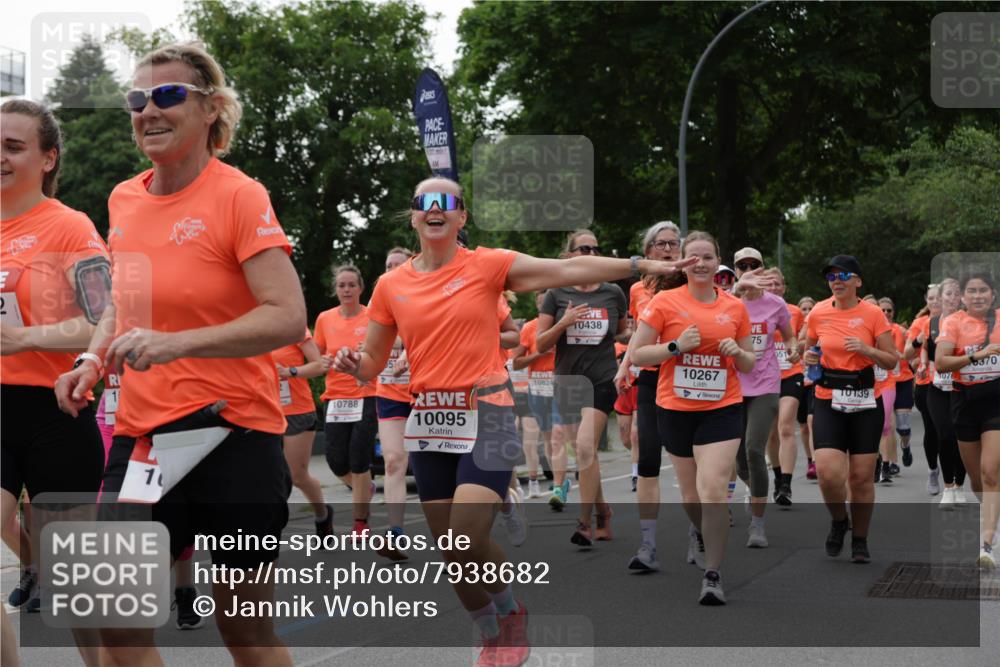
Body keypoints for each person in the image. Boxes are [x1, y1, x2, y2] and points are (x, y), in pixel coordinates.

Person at [332, 176, 693, 664]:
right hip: (431, 419)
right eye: (425, 202)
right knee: (452, 554)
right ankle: (489, 629)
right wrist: (358, 367)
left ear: (461, 217)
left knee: (465, 537)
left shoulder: (486, 265)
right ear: (414, 215)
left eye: (447, 202)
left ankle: (510, 611)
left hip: (489, 411)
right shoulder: (391, 285)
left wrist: (642, 263)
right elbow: (373, 363)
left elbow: (568, 269)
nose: (435, 208)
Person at [54, 43, 304, 666]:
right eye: (138, 100)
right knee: (115, 617)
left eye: (167, 96)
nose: (148, 111)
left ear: (212, 108)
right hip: (145, 441)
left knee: (243, 629)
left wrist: (175, 344)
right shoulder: (124, 199)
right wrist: (92, 357)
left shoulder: (240, 196)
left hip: (234, 432)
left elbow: (286, 316)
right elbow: (123, 301)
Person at [2, 98, 111, 663]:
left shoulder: (67, 225)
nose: (0, 156)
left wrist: (23, 340)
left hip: (55, 413)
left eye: (13, 146)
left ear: (47, 159)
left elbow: (104, 318)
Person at [632, 231, 755, 605]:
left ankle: (713, 573)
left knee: (713, 489)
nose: (700, 263)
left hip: (722, 408)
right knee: (690, 495)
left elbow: (750, 363)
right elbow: (637, 356)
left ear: (718, 262)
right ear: (683, 263)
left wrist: (737, 352)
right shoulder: (664, 303)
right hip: (674, 409)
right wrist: (675, 347)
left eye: (707, 257)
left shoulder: (734, 307)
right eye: (693, 257)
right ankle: (700, 532)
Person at [802, 255, 898, 564]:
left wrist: (867, 349)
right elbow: (809, 350)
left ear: (857, 281)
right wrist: (810, 358)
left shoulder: (872, 315)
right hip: (829, 398)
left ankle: (860, 539)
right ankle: (839, 520)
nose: (836, 280)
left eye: (843, 274)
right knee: (829, 474)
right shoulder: (817, 312)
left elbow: (891, 359)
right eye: (831, 276)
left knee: (860, 478)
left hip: (864, 400)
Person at [536, 230, 627, 547]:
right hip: (568, 381)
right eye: (583, 247)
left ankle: (583, 523)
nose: (590, 251)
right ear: (570, 255)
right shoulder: (556, 293)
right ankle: (603, 512)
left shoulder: (613, 292)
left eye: (595, 248)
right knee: (585, 454)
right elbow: (539, 342)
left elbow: (621, 332)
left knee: (586, 448)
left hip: (602, 379)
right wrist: (564, 323)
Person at [612, 221, 682, 571]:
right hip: (651, 377)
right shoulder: (638, 289)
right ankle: (648, 544)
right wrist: (625, 366)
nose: (668, 250)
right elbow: (639, 333)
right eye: (661, 244)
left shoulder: (691, 282)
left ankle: (702, 531)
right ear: (648, 250)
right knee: (647, 454)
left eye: (673, 244)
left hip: (687, 380)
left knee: (692, 465)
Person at [934, 272, 1000, 568]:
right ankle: (992, 513)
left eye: (982, 290)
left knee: (990, 472)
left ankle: (986, 544)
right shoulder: (953, 322)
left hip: (996, 401)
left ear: (992, 294)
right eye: (971, 291)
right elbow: (942, 362)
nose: (977, 296)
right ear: (962, 296)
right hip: (964, 401)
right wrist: (977, 356)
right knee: (976, 479)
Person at [731, 249, 795, 548]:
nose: (748, 270)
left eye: (753, 265)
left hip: (765, 384)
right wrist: (735, 291)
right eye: (741, 266)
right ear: (734, 269)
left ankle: (757, 524)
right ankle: (755, 488)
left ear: (762, 268)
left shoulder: (776, 304)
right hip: (731, 385)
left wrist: (793, 348)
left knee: (755, 450)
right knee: (739, 459)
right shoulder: (728, 302)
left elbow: (789, 335)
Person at [315, 265, 378, 536]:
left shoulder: (372, 317)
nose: (347, 290)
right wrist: (323, 361)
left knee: (359, 457)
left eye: (352, 284)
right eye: (341, 285)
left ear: (361, 288)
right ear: (336, 289)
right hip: (335, 398)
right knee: (336, 461)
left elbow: (382, 352)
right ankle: (365, 489)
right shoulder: (324, 319)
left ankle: (360, 522)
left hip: (366, 393)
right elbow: (316, 357)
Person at [374, 246, 416, 560]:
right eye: (387, 265)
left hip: (425, 393)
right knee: (393, 461)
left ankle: (457, 538)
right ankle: (396, 533)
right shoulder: (377, 306)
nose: (391, 270)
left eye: (397, 265)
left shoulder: (421, 300)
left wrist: (404, 354)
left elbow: (427, 337)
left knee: (436, 469)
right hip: (389, 393)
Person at [273, 326, 331, 535]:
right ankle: (267, 530)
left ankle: (322, 514)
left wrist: (289, 372)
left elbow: (319, 366)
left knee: (297, 476)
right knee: (266, 478)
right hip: (264, 413)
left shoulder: (294, 327)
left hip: (296, 412)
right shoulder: (250, 329)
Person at [919, 279, 968, 507]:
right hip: (937, 388)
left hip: (962, 388)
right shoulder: (931, 322)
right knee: (945, 434)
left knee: (963, 438)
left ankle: (959, 485)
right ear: (940, 298)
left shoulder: (970, 322)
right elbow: (919, 348)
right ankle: (948, 487)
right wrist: (921, 361)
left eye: (956, 293)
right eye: (948, 294)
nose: (952, 297)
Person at [762, 268, 806, 505]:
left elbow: (801, 339)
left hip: (791, 374)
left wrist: (797, 349)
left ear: (784, 288)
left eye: (777, 284)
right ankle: (778, 477)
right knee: (771, 434)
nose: (774, 288)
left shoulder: (795, 312)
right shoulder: (756, 311)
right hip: (766, 377)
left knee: (786, 425)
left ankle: (786, 485)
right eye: (769, 284)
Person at [904, 284, 941, 495]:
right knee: (933, 428)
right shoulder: (920, 322)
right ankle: (933, 470)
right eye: (931, 298)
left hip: (953, 383)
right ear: (926, 300)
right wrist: (920, 340)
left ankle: (955, 479)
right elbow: (906, 354)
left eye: (939, 297)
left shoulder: (958, 321)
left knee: (951, 431)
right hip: (927, 383)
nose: (935, 302)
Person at [881, 298, 916, 473]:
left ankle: (906, 445)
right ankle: (890, 462)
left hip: (902, 380)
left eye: (889, 310)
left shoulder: (901, 331)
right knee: (887, 424)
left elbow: (912, 352)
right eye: (883, 310)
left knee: (903, 428)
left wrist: (908, 357)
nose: (886, 313)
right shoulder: (874, 332)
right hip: (885, 383)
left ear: (893, 312)